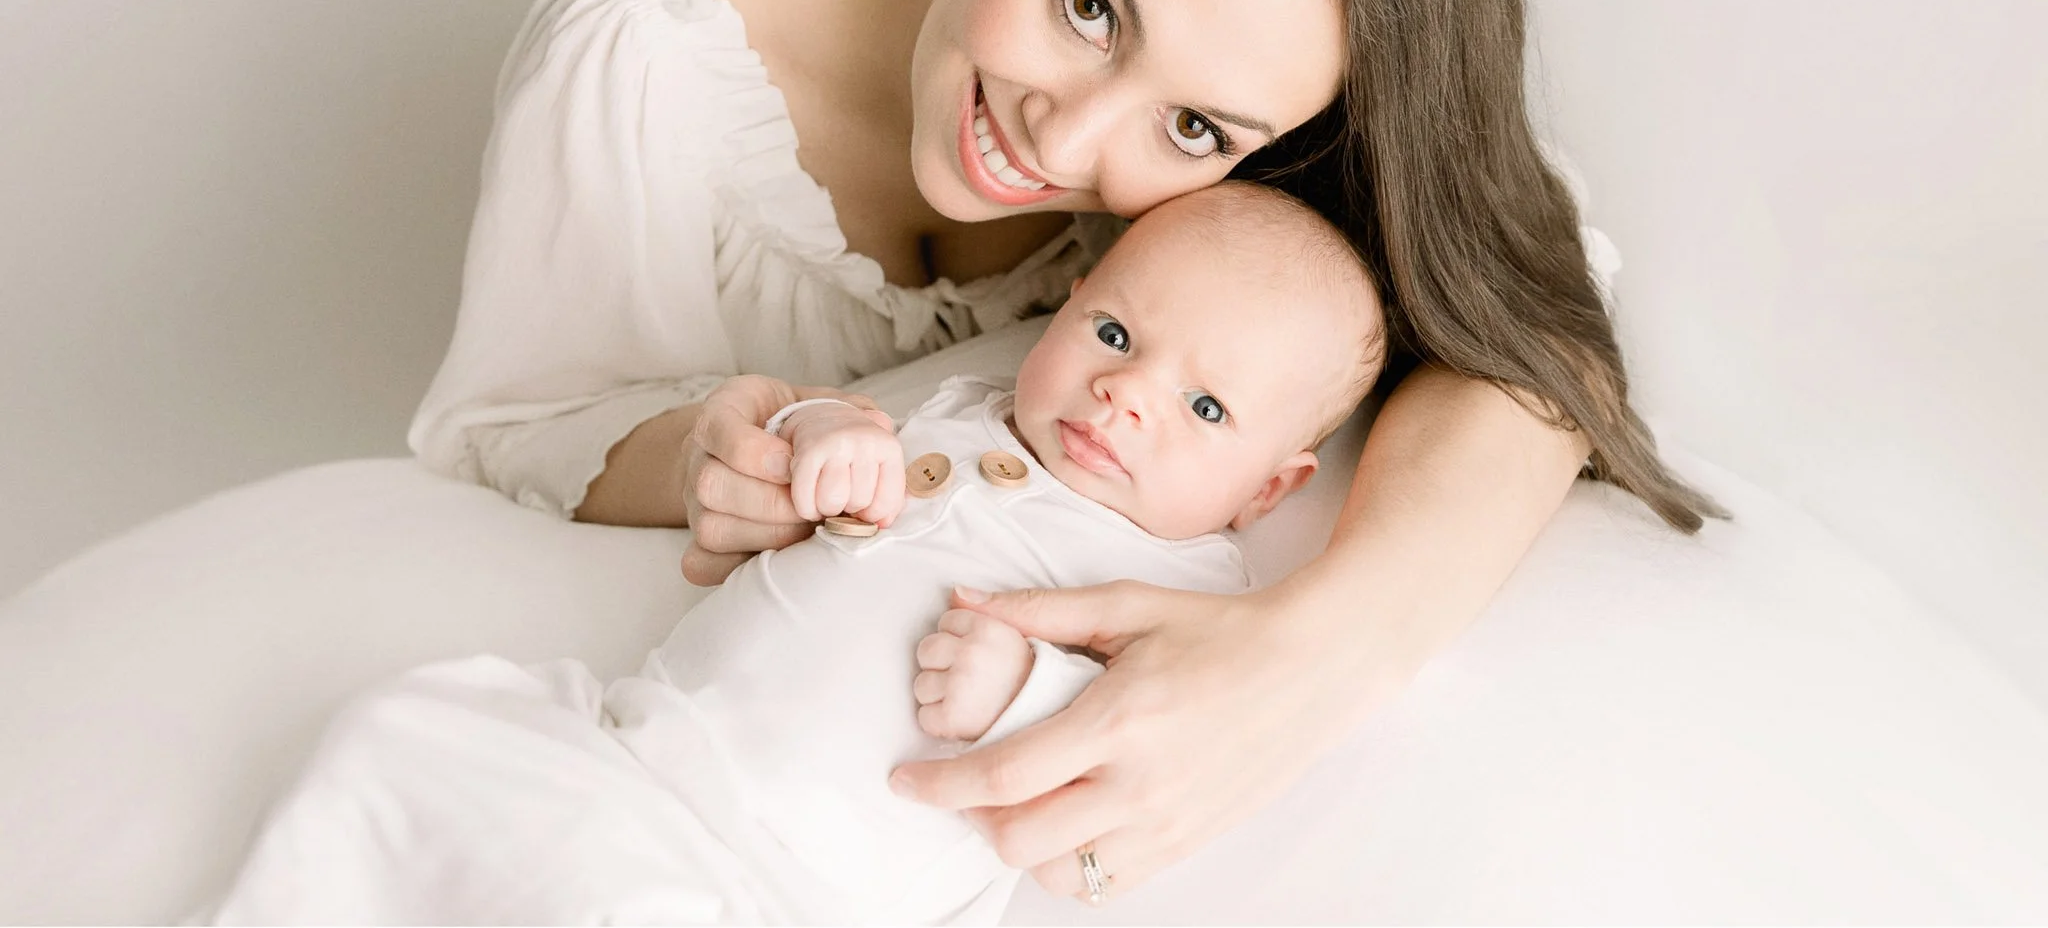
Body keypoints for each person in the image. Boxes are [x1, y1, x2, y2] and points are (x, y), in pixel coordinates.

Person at [409, 0, 1721, 904]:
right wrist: (708, 450)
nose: (1072, 146)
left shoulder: (1276, 94)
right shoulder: (643, 59)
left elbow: (1535, 344)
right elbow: (518, 417)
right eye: (1091, 5)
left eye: (1197, 131)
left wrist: (1304, 662)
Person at [210, 185, 1385, 924]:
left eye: (1206, 410)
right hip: (637, 752)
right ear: (1071, 302)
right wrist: (819, 432)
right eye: (1116, 333)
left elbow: (1127, 743)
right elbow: (796, 445)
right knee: (408, 733)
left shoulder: (1182, 587)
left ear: (1268, 489)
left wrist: (1022, 688)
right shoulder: (961, 410)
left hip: (790, 886)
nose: (1126, 394)